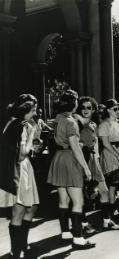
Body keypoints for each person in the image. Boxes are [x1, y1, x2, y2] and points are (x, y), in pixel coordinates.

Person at [47, 90, 95, 250]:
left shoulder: (59, 119)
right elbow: (75, 148)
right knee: (78, 201)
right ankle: (79, 239)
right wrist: (86, 168)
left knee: (63, 200)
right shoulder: (71, 122)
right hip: (69, 159)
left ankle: (65, 233)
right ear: (73, 104)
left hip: (58, 157)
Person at [0, 96, 39, 259]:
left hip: (13, 168)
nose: (36, 113)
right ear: (26, 111)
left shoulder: (10, 123)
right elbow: (22, 154)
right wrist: (33, 141)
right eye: (34, 110)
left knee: (31, 207)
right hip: (20, 169)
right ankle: (17, 251)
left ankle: (21, 245)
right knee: (21, 209)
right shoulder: (23, 127)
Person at [75, 96, 119, 233]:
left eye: (89, 107)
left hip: (94, 161)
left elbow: (96, 147)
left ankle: (107, 221)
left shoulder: (94, 125)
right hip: (80, 161)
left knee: (104, 191)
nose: (85, 110)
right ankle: (83, 224)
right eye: (83, 107)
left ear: (93, 109)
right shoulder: (76, 123)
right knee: (80, 196)